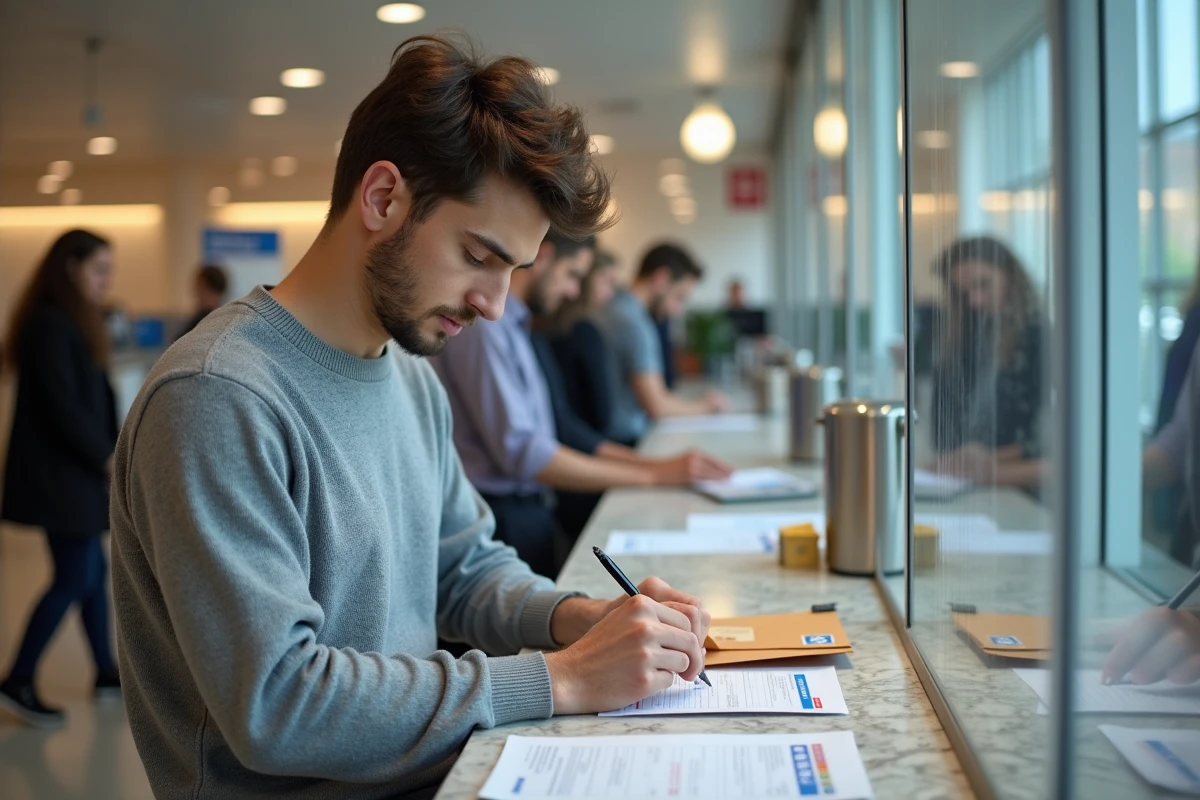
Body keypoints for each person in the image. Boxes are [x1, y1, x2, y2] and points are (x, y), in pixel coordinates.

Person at [109, 36, 711, 800]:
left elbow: (463, 571)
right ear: (384, 198)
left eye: (513, 272)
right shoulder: (216, 394)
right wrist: (558, 680)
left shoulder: (413, 379)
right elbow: (276, 705)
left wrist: (583, 619)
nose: (495, 306)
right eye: (479, 256)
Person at [434, 229, 731, 576]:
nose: (575, 290)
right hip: (500, 515)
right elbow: (523, 452)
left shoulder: (517, 325)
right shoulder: (487, 327)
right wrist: (652, 475)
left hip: (525, 509)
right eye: (573, 274)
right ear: (543, 257)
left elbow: (555, 429)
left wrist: (650, 468)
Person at [0, 229, 121, 727]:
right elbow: (62, 407)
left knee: (92, 573)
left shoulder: (68, 320)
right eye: (99, 270)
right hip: (61, 478)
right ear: (71, 267)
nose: (106, 280)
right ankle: (17, 680)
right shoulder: (52, 324)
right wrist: (107, 458)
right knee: (77, 575)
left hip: (70, 475)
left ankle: (105, 672)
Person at [927, 236, 1046, 489]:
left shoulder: (1040, 338)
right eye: (964, 292)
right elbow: (943, 427)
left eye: (983, 285)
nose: (975, 301)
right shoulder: (966, 338)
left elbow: (1046, 438)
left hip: (1021, 487)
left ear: (1011, 277)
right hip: (971, 485)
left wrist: (978, 463)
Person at [592, 242, 728, 444]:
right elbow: (657, 406)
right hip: (627, 441)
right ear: (661, 278)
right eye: (679, 297)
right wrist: (707, 407)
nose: (677, 309)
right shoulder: (633, 322)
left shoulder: (615, 308)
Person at [545, 248, 623, 437]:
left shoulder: (543, 327)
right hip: (587, 443)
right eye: (605, 281)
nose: (610, 293)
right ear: (587, 279)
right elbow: (601, 411)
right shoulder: (585, 332)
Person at [175, 263, 229, 340]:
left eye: (200, 288)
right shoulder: (198, 318)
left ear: (212, 290)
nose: (196, 293)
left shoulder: (211, 322)